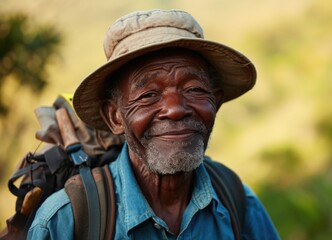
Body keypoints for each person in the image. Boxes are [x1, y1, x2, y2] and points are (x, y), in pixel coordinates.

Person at [28, 9, 280, 239]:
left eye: (193, 89)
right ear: (115, 117)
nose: (175, 109)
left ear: (215, 102)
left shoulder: (237, 202)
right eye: (148, 95)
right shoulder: (63, 222)